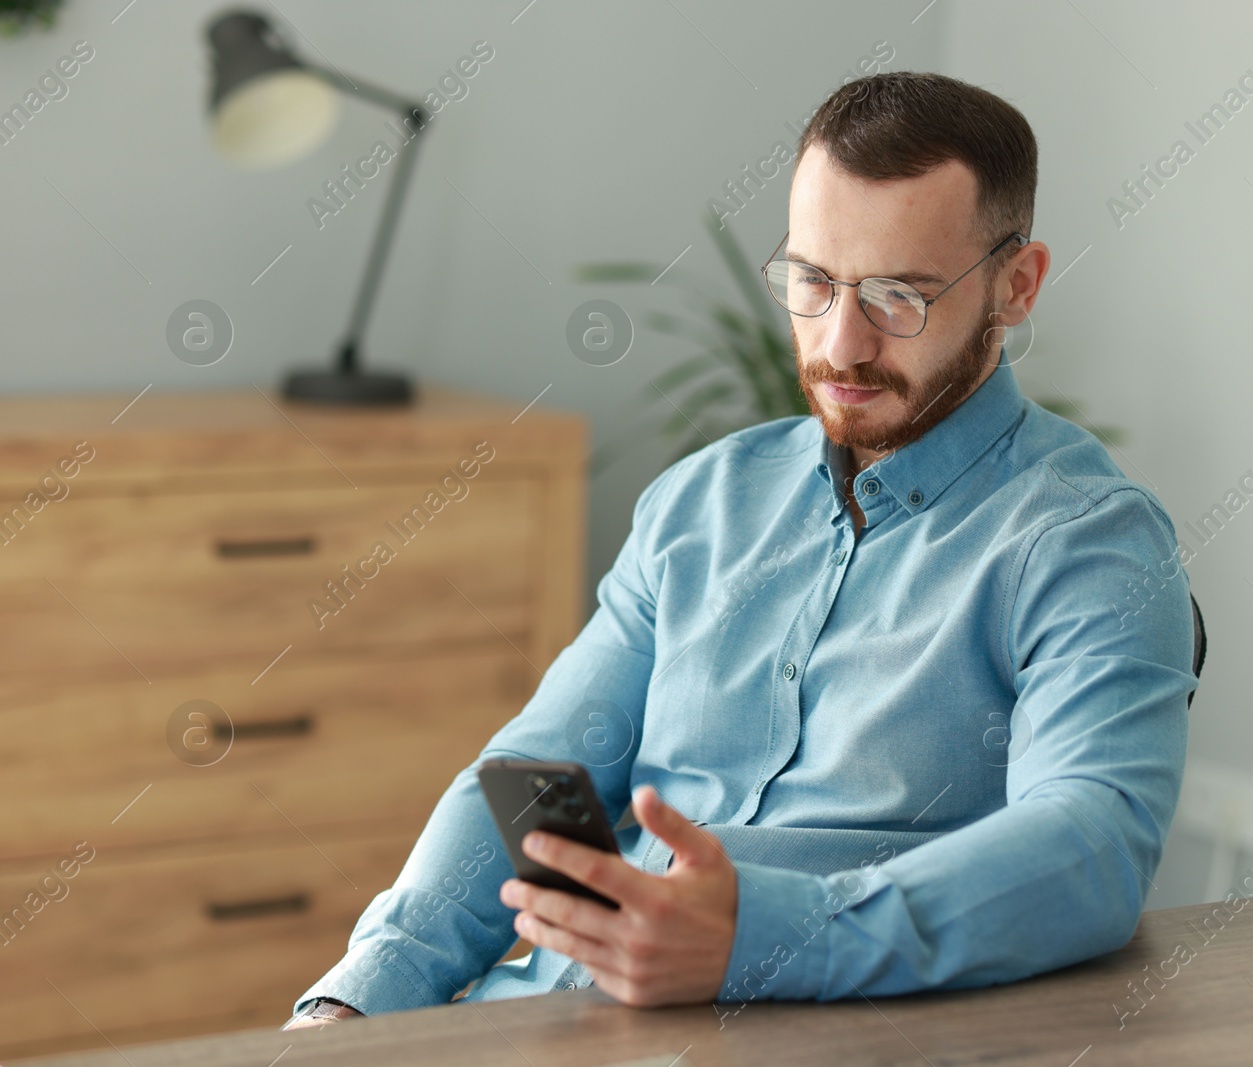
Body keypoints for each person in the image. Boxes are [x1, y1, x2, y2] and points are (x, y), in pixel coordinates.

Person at [285, 70, 1194, 1029]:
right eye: (812, 281)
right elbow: (540, 777)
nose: (840, 344)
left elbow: (1094, 845)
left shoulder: (1085, 538)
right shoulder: (701, 502)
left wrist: (764, 933)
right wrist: (356, 998)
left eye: (899, 295)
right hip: (546, 1017)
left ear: (1017, 285)